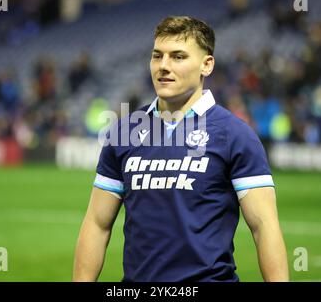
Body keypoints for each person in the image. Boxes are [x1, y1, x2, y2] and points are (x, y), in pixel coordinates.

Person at [73, 16, 289, 282]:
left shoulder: (235, 135)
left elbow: (264, 227)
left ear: (206, 65)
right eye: (157, 56)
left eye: (178, 57)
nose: (163, 66)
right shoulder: (124, 132)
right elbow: (97, 223)